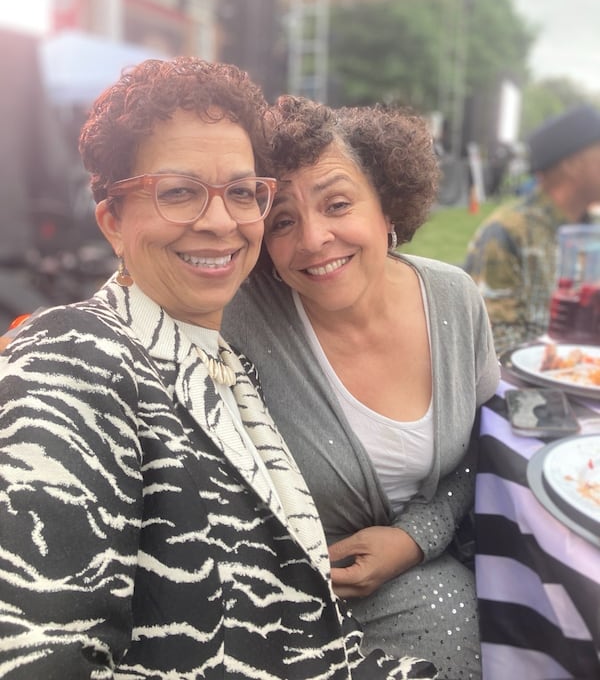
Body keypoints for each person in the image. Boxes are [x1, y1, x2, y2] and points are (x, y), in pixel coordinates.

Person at [0, 58, 436, 680]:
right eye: (177, 191)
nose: (219, 221)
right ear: (112, 224)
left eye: (242, 192)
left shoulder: (225, 365)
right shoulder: (69, 361)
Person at [222, 96, 500, 680]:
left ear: (386, 204)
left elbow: (483, 446)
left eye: (338, 203)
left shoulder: (454, 299)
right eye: (282, 222)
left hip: (422, 578)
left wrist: (416, 537)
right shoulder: (236, 319)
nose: (314, 239)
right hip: (278, 599)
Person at [464, 104, 600, 354]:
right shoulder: (508, 232)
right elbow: (493, 345)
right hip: (528, 390)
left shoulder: (591, 233)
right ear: (573, 165)